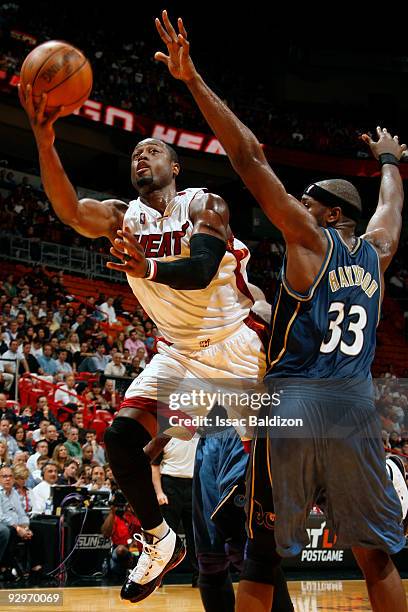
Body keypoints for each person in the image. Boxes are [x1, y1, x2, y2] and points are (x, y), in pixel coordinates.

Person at [154, 11, 407, 612]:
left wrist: (193, 82)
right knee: (375, 556)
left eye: (303, 200)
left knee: (263, 556)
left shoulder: (309, 241)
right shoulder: (376, 253)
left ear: (325, 214)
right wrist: (391, 162)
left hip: (293, 408)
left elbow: (246, 156)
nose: (292, 204)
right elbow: (390, 209)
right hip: (353, 412)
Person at [18, 77, 278, 608]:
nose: (142, 157)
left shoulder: (206, 204)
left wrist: (151, 266)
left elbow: (204, 267)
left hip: (236, 345)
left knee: (260, 491)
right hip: (178, 352)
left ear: (174, 168)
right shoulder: (121, 217)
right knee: (118, 438)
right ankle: (161, 541)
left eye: (153, 150)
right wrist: (45, 140)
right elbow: (69, 210)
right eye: (136, 152)